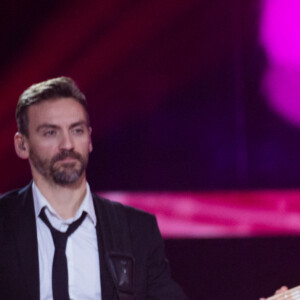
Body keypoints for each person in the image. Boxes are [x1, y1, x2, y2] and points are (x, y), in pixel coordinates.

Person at [0, 77, 187, 300]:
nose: (67, 144)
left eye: (77, 130)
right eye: (51, 132)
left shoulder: (136, 230)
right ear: (22, 145)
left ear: (89, 139)